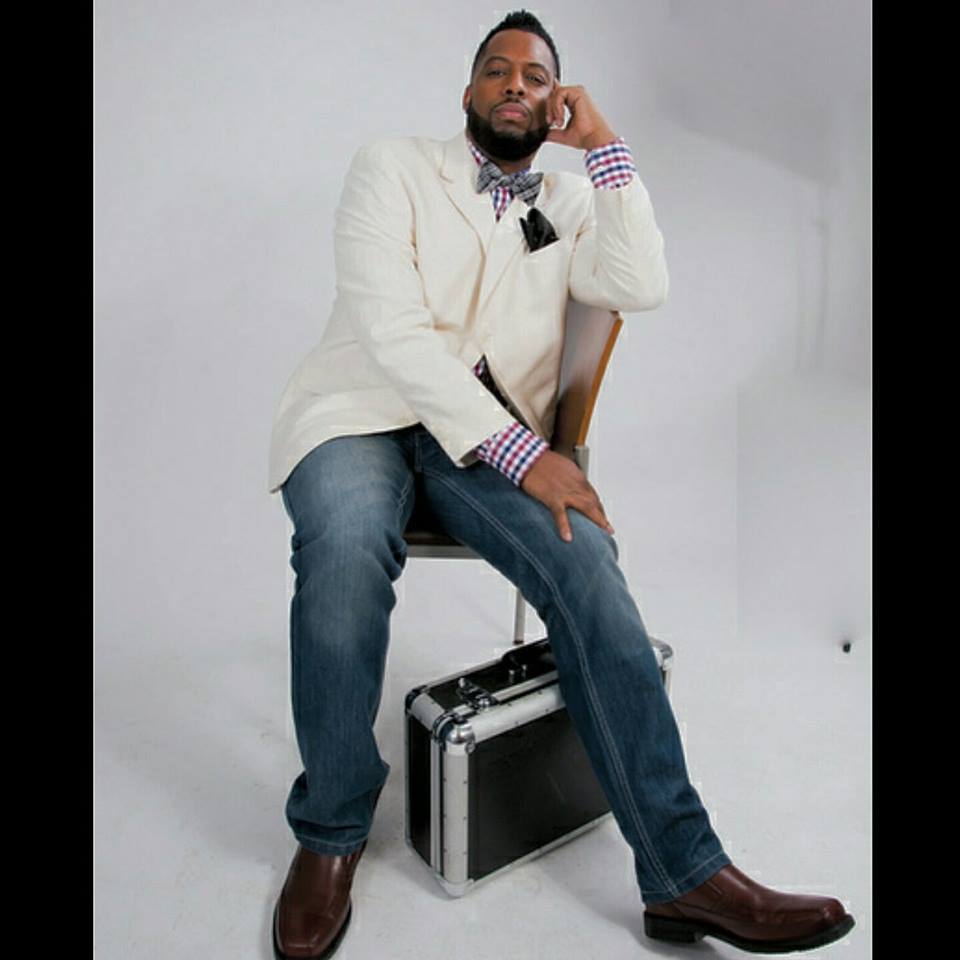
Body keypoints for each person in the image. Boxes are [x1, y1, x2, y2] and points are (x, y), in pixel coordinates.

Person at [267, 10, 855, 958]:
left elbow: (640, 282)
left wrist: (608, 149)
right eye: (496, 70)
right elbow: (392, 334)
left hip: (485, 438)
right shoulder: (391, 166)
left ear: (556, 101)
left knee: (588, 564)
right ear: (467, 92)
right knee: (342, 546)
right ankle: (330, 829)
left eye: (536, 76)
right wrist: (525, 456)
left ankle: (683, 871)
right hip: (363, 412)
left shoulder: (574, 201)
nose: (515, 84)